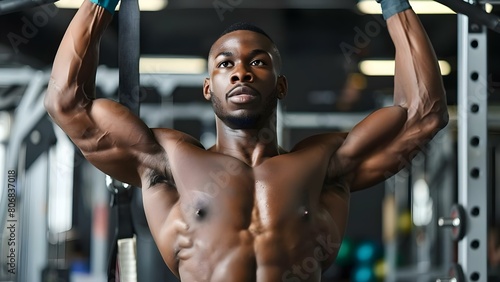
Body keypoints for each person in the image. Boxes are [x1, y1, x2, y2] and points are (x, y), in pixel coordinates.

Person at [44, 0, 448, 280]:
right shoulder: (167, 162)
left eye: (258, 62)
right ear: (208, 87)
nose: (241, 72)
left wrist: (394, 5)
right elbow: (66, 102)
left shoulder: (324, 166)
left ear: (282, 84)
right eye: (226, 64)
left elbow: (425, 114)